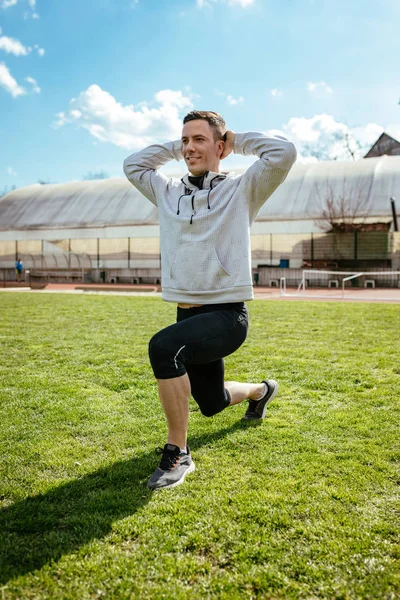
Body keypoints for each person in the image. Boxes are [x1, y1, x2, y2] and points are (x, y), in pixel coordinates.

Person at [123, 110, 296, 490]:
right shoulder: (166, 191)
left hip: (227, 316)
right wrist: (179, 148)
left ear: (220, 146)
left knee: (164, 347)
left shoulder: (242, 188)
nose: (189, 148)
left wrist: (235, 140)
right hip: (188, 315)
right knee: (212, 403)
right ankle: (260, 391)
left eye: (199, 140)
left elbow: (283, 153)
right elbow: (132, 164)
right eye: (184, 140)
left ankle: (178, 453)